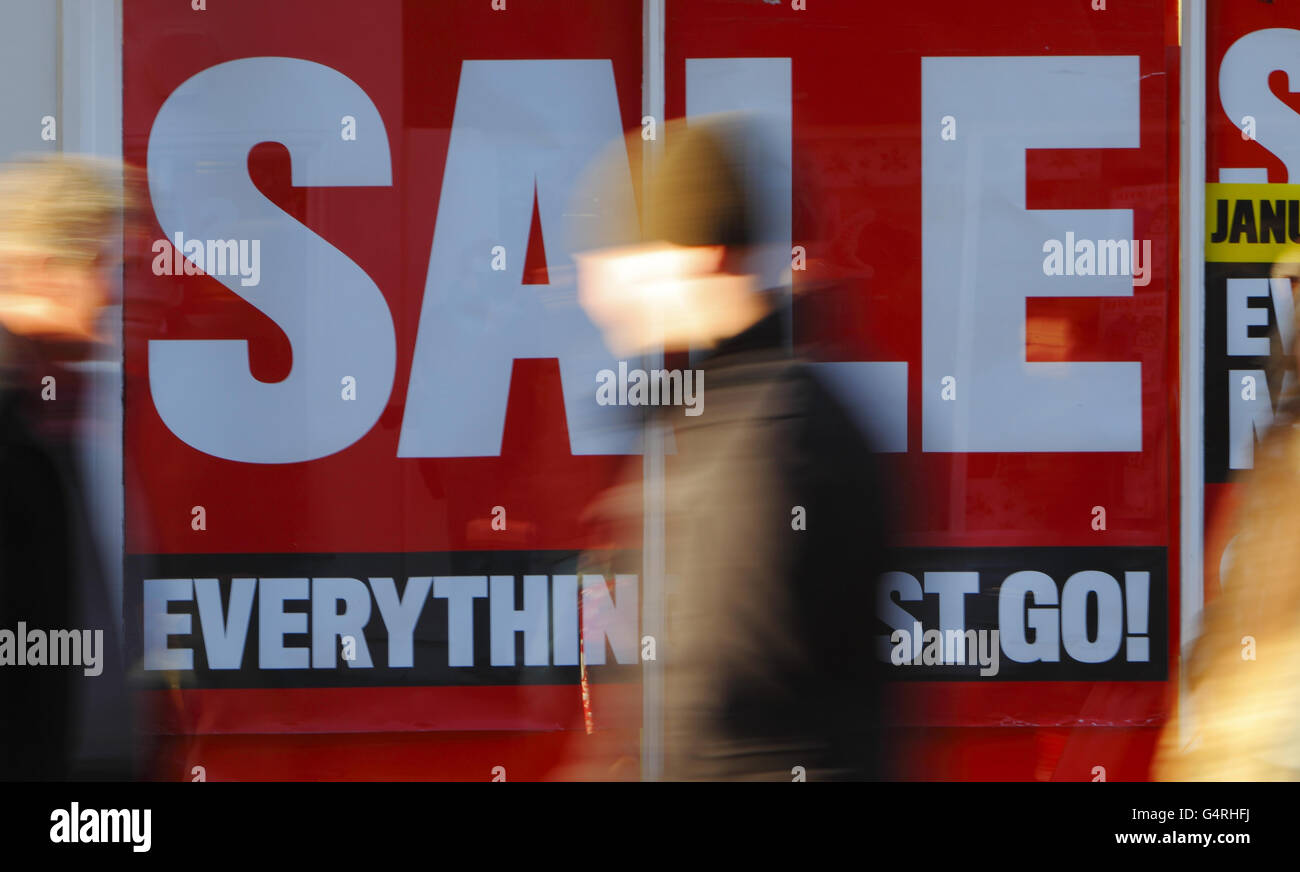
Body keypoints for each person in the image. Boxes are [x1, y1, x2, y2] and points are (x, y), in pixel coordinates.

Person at [567, 117, 892, 780]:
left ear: (698, 249)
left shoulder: (774, 441)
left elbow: (719, 717)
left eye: (618, 259)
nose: (594, 290)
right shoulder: (715, 418)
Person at [0, 155, 137, 779]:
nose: (121, 293)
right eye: (110, 268)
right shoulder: (21, 424)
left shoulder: (79, 408)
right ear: (51, 272)